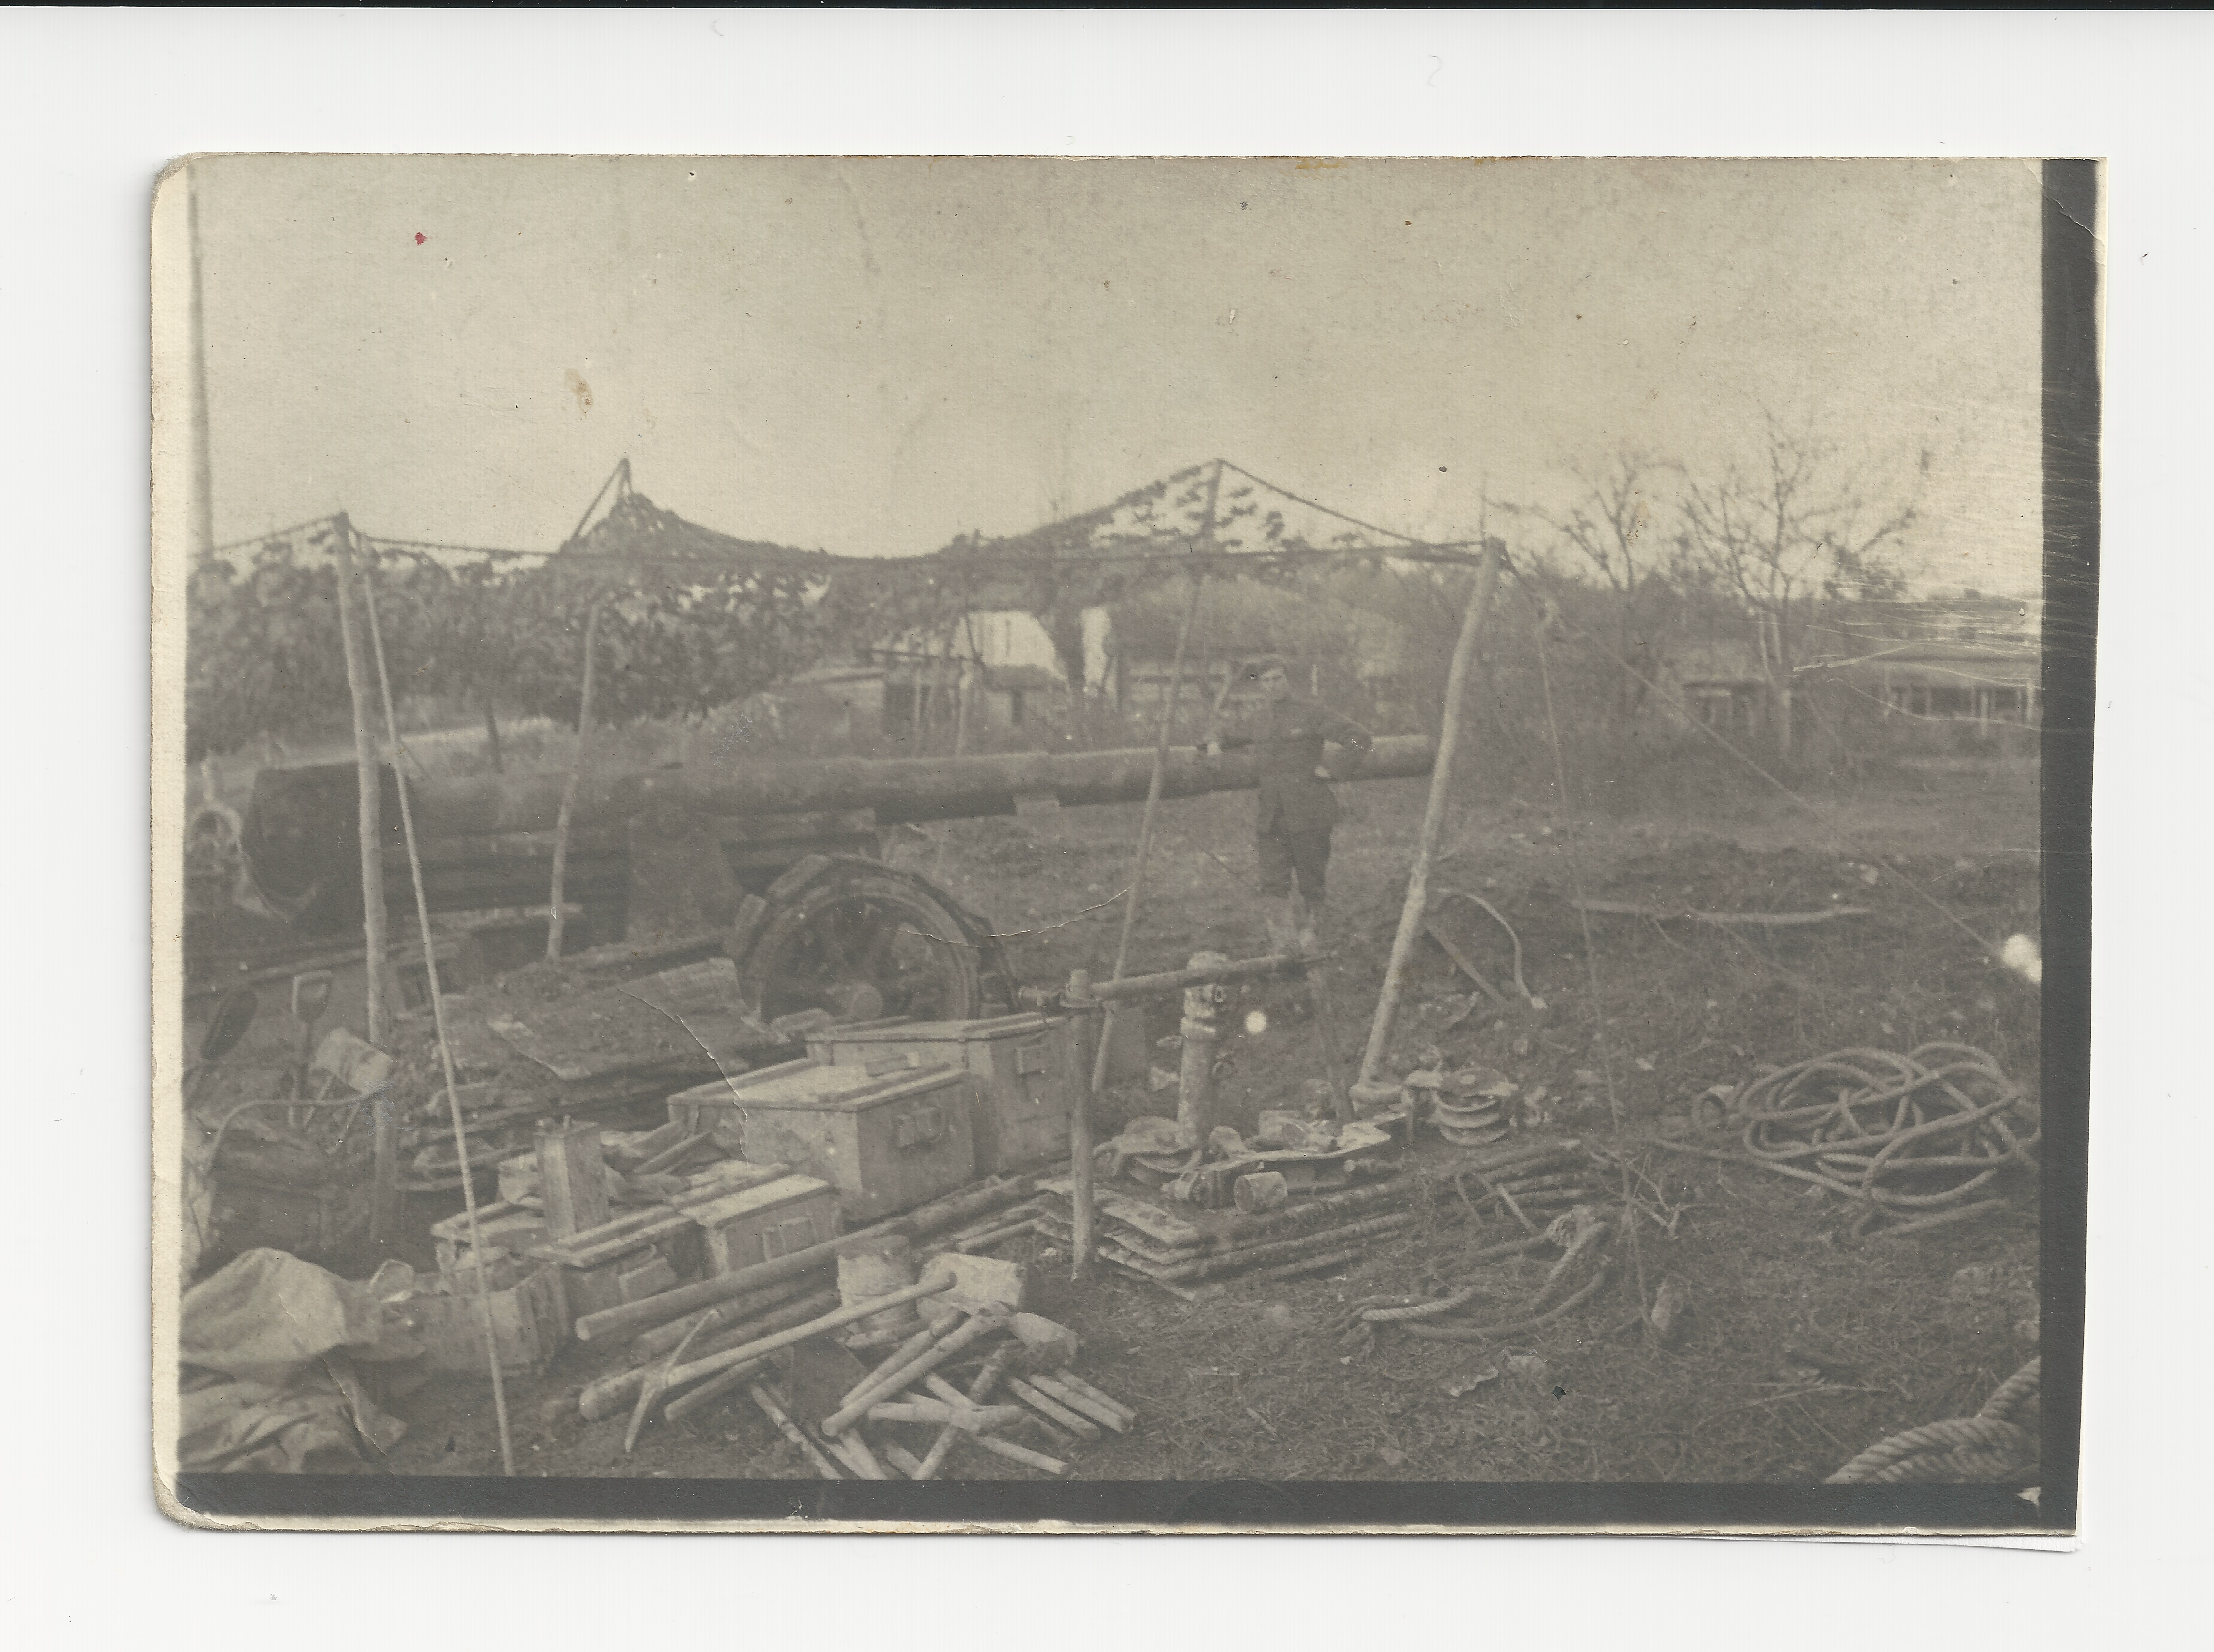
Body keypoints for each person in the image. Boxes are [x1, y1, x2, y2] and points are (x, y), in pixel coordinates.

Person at [1204, 657, 1373, 955]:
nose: (1272, 686)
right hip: (1272, 816)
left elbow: (1360, 738)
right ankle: (1283, 950)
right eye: (1266, 682)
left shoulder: (1311, 713)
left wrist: (1333, 769)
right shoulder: (1259, 719)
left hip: (1309, 812)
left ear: (1289, 681)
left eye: (1278, 679)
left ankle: (1315, 943)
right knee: (1272, 883)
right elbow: (1225, 733)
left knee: (1312, 882)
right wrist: (1215, 743)